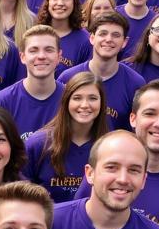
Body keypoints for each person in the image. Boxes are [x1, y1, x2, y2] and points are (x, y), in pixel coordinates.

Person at [24, 70, 108, 203]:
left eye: (93, 98)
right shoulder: (38, 144)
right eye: (77, 98)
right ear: (66, 101)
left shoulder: (109, 146)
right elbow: (21, 196)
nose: (85, 105)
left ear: (102, 103)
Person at [59, 12, 144, 127]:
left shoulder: (135, 83)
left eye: (116, 35)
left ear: (124, 42)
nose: (109, 39)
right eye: (103, 34)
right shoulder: (68, 77)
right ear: (92, 38)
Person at [0, 25, 64, 139]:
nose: (41, 56)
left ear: (59, 56)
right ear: (22, 57)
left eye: (49, 50)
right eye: (33, 50)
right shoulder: (2, 102)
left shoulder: (71, 98)